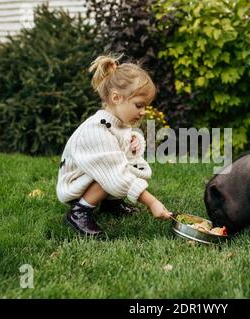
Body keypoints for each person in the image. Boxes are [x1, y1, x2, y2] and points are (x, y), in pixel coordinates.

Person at [56, 54, 172, 237]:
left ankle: (111, 204)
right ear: (116, 98)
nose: (143, 112)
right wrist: (151, 202)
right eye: (139, 105)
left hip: (98, 174)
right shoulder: (96, 130)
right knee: (114, 172)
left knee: (122, 165)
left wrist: (135, 141)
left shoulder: (118, 123)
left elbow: (122, 145)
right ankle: (79, 211)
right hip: (76, 184)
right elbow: (114, 173)